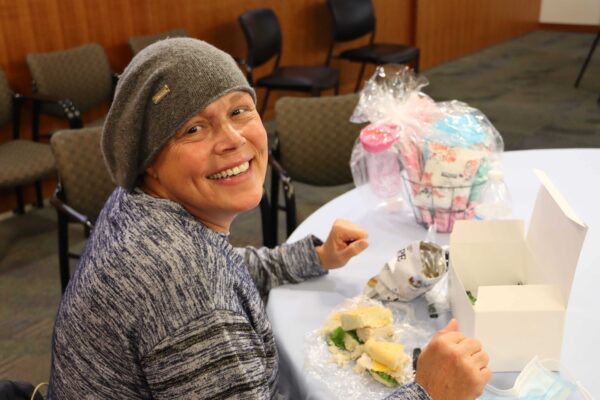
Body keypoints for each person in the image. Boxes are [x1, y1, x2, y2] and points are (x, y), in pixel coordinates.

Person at [48, 38, 490, 399]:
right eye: (193, 129)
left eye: (240, 110)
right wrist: (430, 392)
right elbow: (196, 291)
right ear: (150, 162)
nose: (233, 140)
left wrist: (314, 257)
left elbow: (225, 267)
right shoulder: (190, 298)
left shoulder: (141, 209)